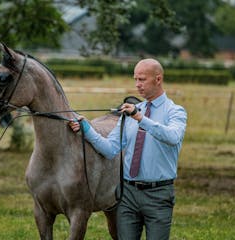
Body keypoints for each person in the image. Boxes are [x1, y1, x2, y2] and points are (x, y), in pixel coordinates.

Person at [69, 58, 187, 240]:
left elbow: (172, 137)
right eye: (135, 79)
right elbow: (110, 149)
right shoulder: (131, 113)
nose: (137, 85)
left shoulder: (175, 111)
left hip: (158, 195)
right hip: (127, 195)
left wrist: (140, 118)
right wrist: (86, 129)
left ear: (158, 79)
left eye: (142, 79)